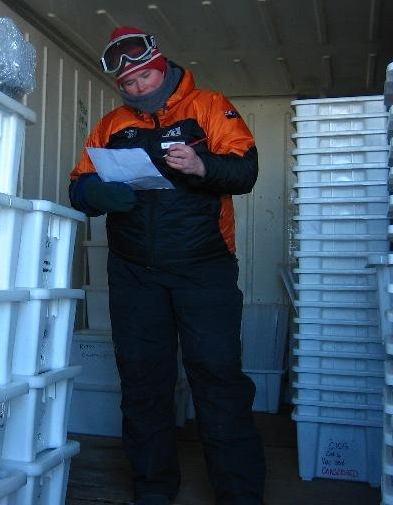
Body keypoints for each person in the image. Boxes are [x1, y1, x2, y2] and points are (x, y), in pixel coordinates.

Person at [68, 26, 265, 505]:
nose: (138, 88)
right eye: (129, 83)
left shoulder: (209, 106)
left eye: (145, 76)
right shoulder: (112, 124)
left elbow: (246, 171)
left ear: (163, 65)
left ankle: (240, 495)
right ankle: (153, 491)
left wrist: (202, 168)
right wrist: (98, 193)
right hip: (135, 273)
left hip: (204, 269)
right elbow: (79, 185)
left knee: (218, 382)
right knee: (142, 384)